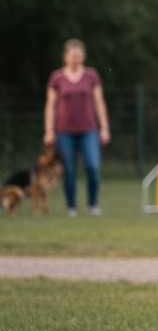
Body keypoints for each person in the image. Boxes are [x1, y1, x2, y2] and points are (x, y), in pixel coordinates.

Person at [43, 39, 110, 217]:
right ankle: (71, 207)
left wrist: (104, 127)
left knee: (93, 167)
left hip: (89, 129)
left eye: (79, 53)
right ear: (65, 56)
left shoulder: (92, 76)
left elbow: (99, 102)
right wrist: (49, 130)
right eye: (72, 54)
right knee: (70, 170)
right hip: (64, 131)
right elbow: (51, 105)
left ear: (84, 55)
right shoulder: (57, 78)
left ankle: (92, 204)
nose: (76, 56)